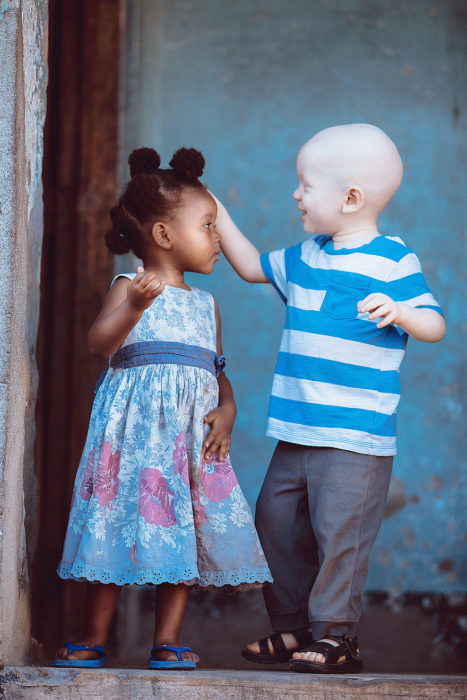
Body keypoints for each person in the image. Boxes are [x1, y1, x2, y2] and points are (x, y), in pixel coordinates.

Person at [213, 124, 445, 673]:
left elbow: (433, 324)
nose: (296, 194)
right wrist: (214, 206)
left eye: (305, 184)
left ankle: (338, 636)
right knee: (272, 522)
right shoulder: (303, 258)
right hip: (295, 433)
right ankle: (292, 629)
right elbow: (249, 267)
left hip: (355, 439)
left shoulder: (392, 261)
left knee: (339, 535)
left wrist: (401, 311)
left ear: (351, 198)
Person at [53, 147, 272, 671]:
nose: (218, 238)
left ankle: (167, 638)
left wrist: (230, 409)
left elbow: (216, 370)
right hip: (131, 442)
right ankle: (93, 635)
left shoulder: (206, 304)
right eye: (208, 225)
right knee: (111, 530)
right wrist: (132, 308)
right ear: (165, 236)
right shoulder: (129, 287)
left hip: (186, 444)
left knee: (181, 538)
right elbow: (98, 344)